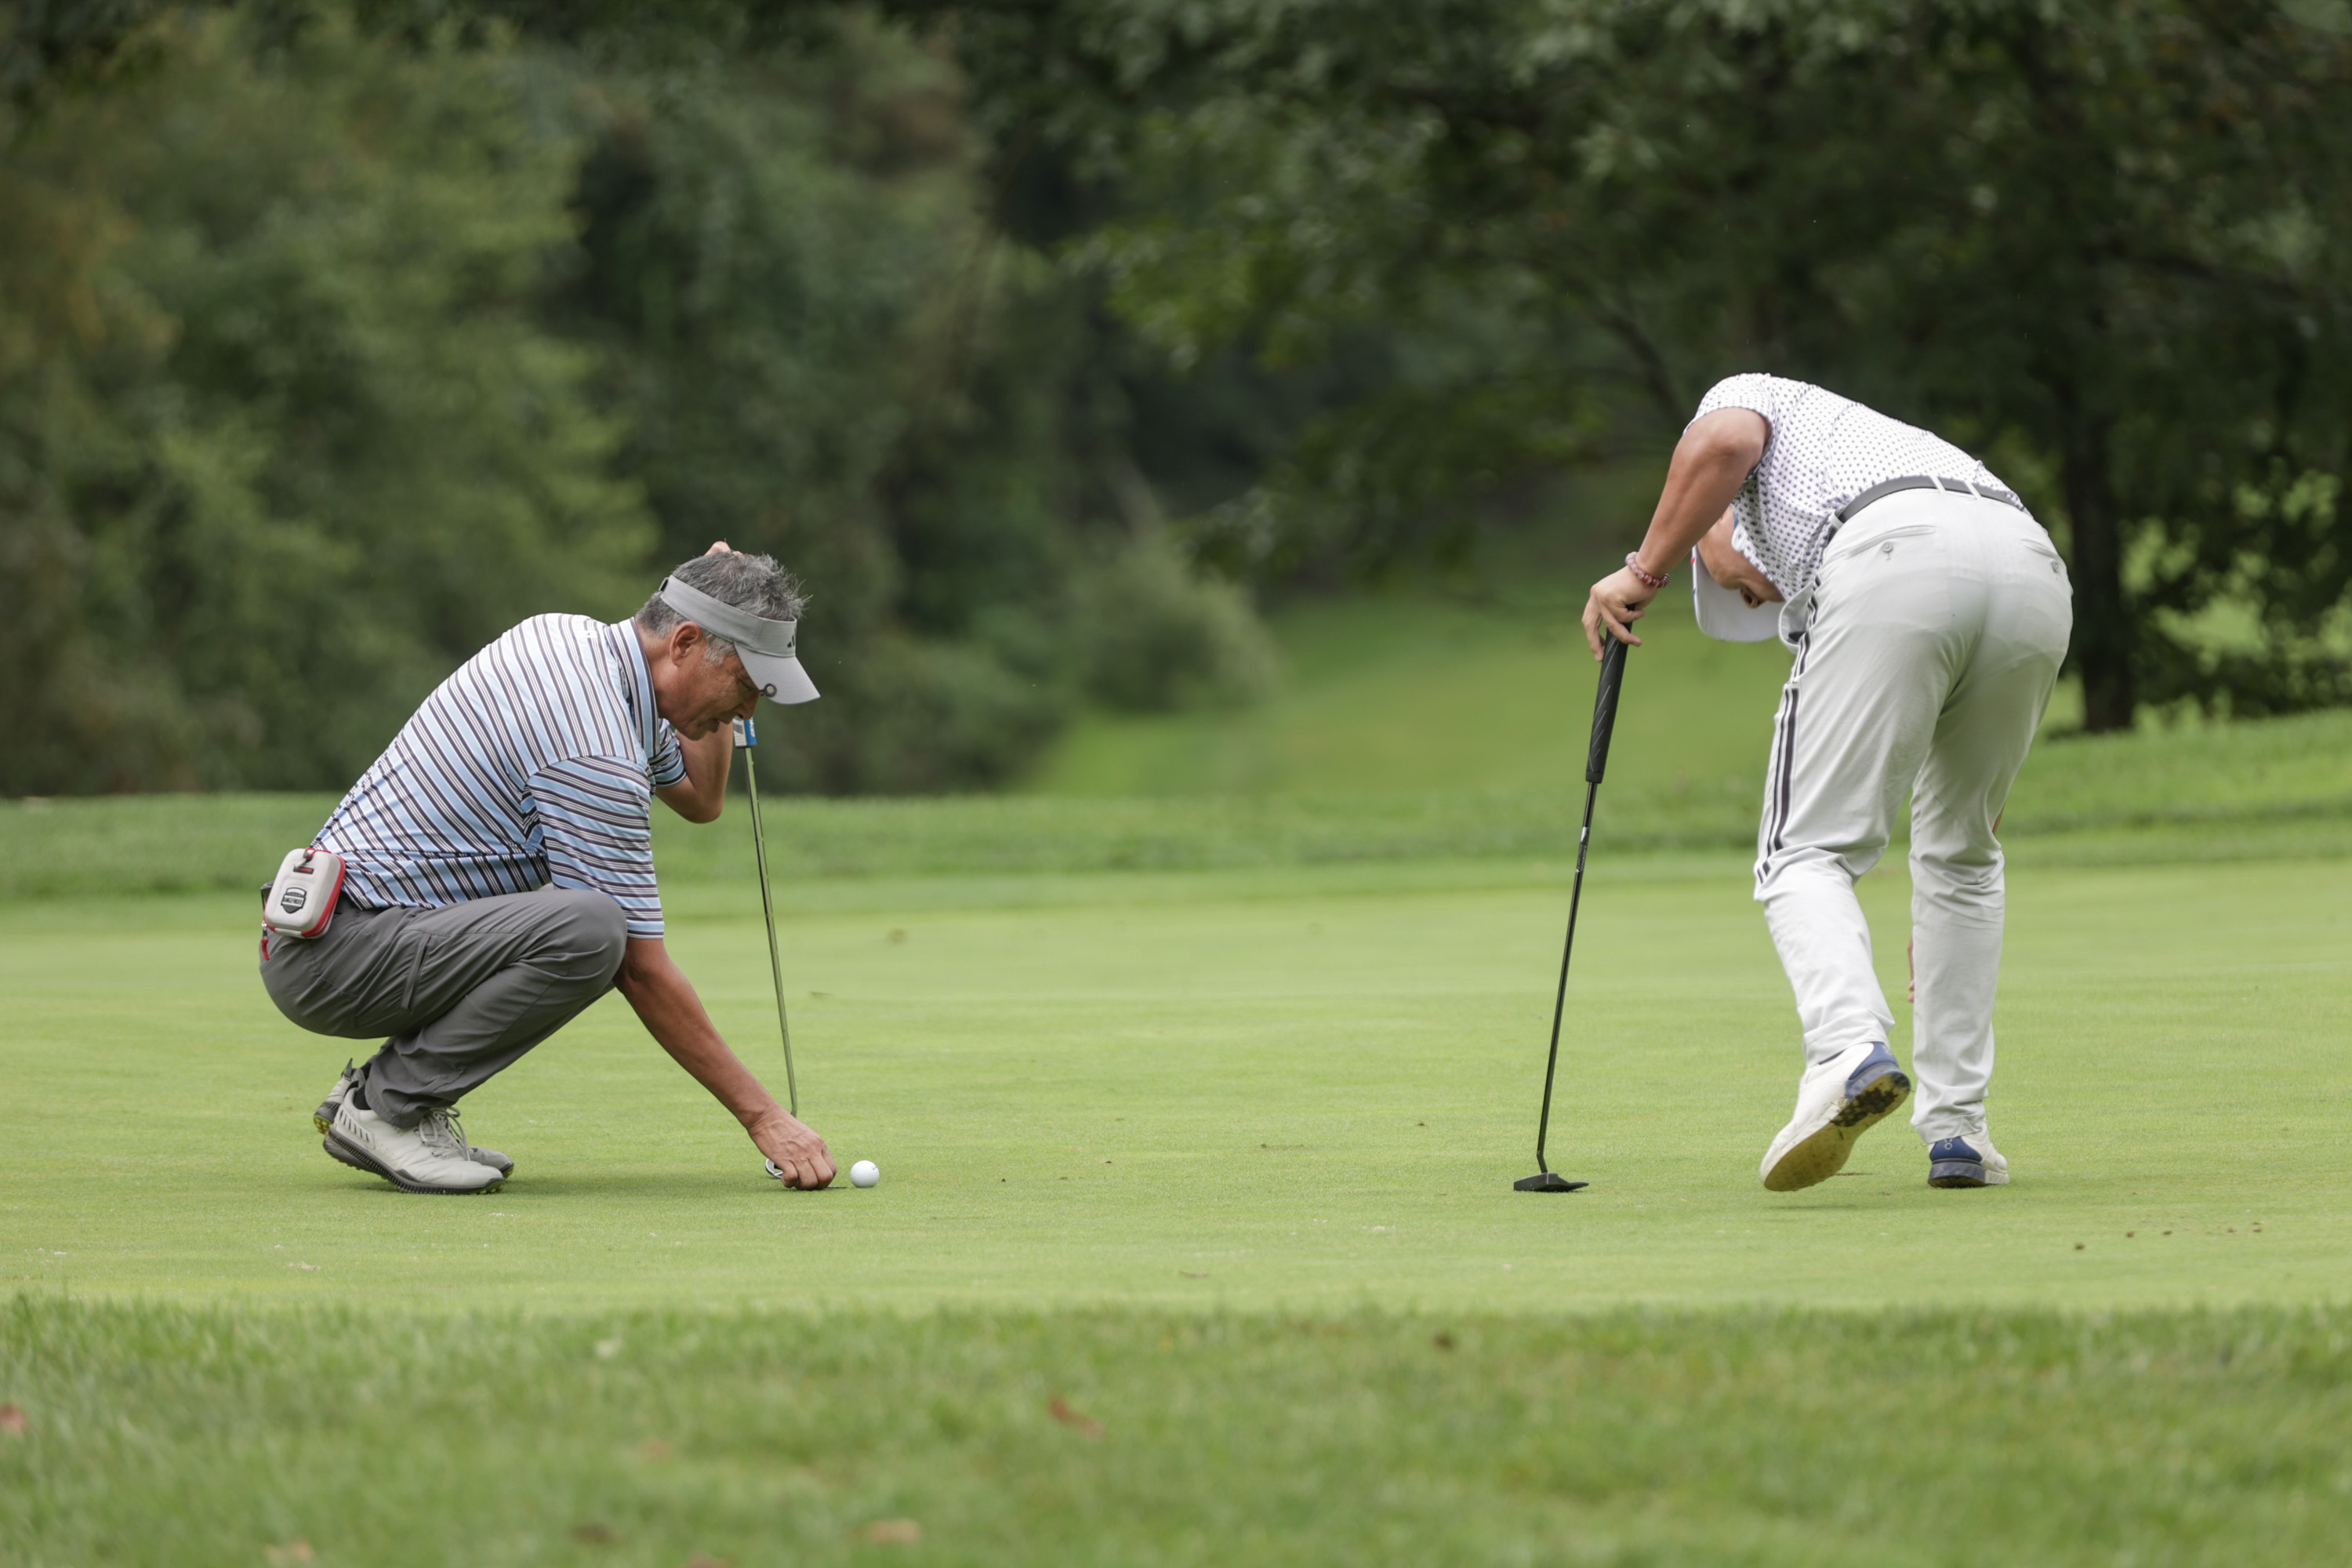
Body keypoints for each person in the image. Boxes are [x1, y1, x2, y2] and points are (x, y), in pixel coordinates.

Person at [1583, 374, 2073, 1192]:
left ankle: (1847, 1050)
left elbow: (1724, 442)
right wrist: (1940, 927)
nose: (1754, 597)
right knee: (1963, 858)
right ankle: (1959, 1130)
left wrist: (1645, 569)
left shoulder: (1750, 395)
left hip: (1892, 554)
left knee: (1803, 851)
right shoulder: (1881, 447)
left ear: (1721, 522)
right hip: (2034, 566)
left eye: (1737, 587)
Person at [260, 544, 837, 1195]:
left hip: (348, 930)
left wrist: (717, 636)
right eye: (745, 683)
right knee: (591, 930)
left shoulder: (578, 646)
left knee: (590, 925)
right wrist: (764, 1118)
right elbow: (639, 968)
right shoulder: (595, 747)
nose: (750, 711)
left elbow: (701, 800)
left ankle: (386, 1098)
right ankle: (386, 1110)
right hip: (337, 954)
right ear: (682, 643)